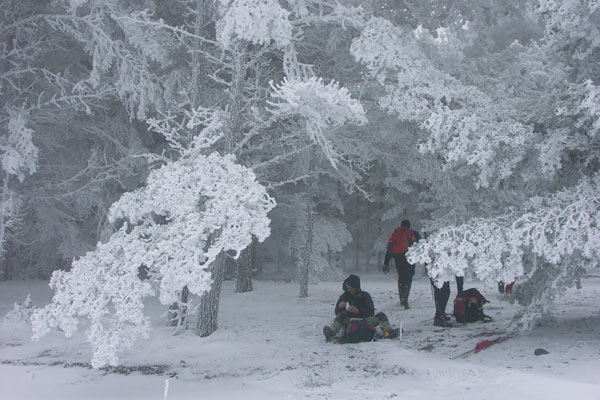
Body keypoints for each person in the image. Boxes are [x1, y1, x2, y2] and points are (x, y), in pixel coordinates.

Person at [323, 274, 399, 342]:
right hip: (350, 321)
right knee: (341, 315)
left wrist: (358, 311)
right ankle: (331, 333)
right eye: (348, 288)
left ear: (356, 287)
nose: (350, 290)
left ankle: (387, 332)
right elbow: (337, 313)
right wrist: (340, 307)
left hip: (366, 321)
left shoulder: (365, 296)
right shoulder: (346, 294)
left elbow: (370, 312)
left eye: (351, 288)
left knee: (381, 316)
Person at [382, 219, 422, 309]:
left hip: (398, 258)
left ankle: (402, 298)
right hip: (410, 258)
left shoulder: (395, 234)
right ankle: (406, 298)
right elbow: (422, 245)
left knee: (401, 277)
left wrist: (386, 262)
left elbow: (389, 248)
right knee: (409, 278)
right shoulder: (413, 233)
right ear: (409, 226)